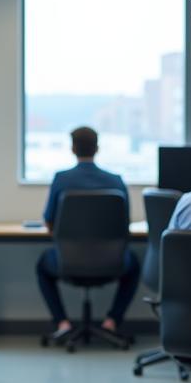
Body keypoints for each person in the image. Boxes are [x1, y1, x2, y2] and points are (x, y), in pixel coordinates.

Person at [37, 126, 140, 342]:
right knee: (134, 264)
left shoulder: (61, 179)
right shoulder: (116, 181)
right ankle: (112, 322)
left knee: (42, 265)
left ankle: (62, 323)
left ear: (73, 148)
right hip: (112, 263)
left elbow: (49, 222)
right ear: (98, 148)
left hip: (67, 262)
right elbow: (124, 226)